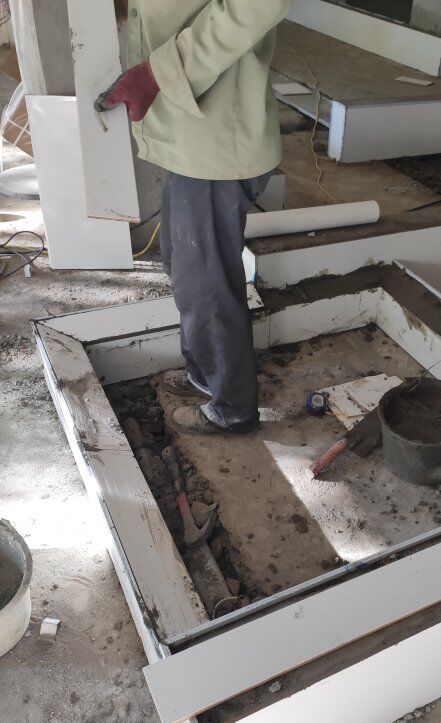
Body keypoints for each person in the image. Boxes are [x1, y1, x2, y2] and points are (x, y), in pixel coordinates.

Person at [103, 1, 292, 436]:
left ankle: (233, 408)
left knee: (206, 286)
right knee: (184, 268)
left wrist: (158, 74)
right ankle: (206, 375)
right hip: (190, 134)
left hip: (216, 139)